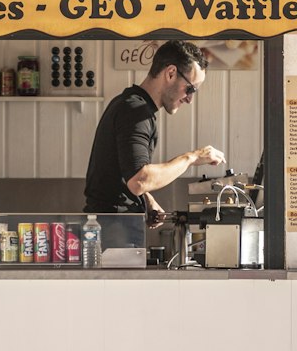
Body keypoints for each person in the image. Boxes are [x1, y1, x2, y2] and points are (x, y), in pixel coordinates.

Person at [84, 39, 226, 223]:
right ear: (171, 73)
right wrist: (192, 157)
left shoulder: (130, 104)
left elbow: (124, 172)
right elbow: (139, 181)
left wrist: (146, 199)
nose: (189, 99)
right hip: (114, 231)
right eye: (190, 89)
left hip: (113, 227)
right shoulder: (135, 111)